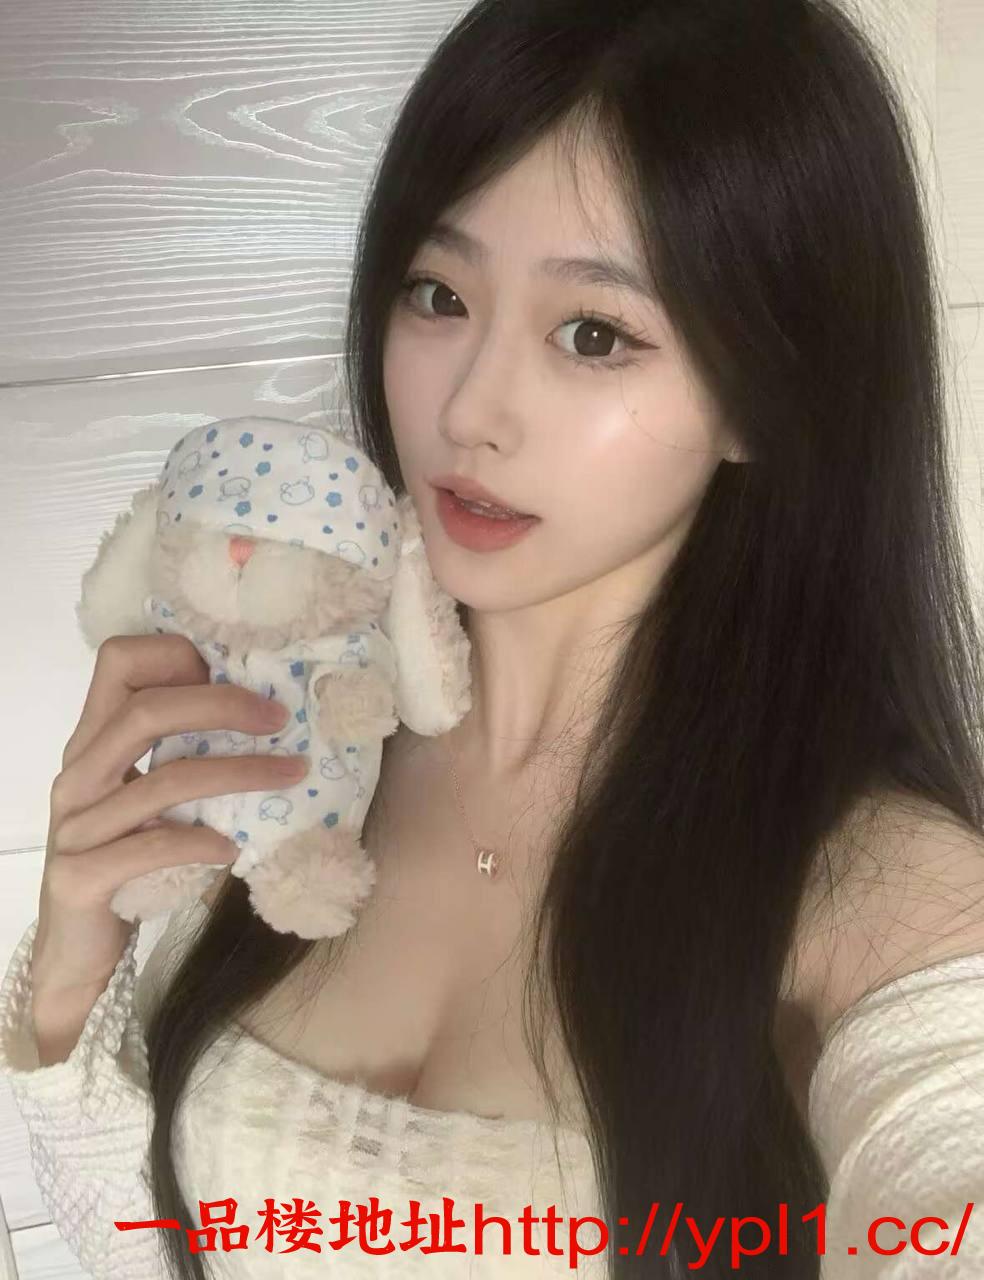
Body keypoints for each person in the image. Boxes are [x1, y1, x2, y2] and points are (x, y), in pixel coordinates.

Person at [3, 0, 984, 1276]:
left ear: (765, 390)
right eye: (438, 292)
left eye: (595, 334)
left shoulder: (878, 887)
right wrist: (69, 987)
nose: (470, 409)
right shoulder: (281, 747)